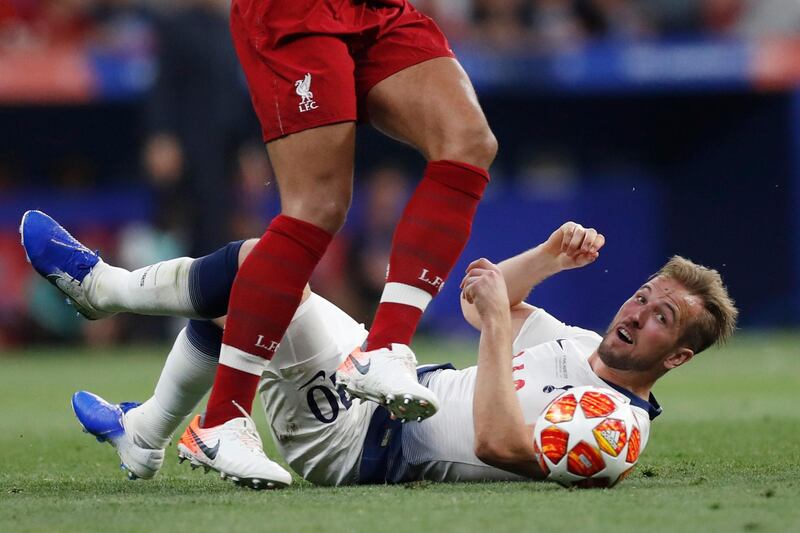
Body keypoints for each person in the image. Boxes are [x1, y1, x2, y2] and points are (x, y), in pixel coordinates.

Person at [20, 210, 737, 488]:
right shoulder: (580, 343)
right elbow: (481, 297)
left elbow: (496, 440)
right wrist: (546, 257)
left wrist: (493, 325)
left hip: (361, 443)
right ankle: (145, 432)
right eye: (645, 295)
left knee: (261, 267)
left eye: (662, 318)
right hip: (381, 384)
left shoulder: (613, 429)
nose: (638, 312)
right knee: (261, 283)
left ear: (676, 357)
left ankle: (104, 288)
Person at [184, 0, 498, 486]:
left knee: (468, 141)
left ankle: (385, 346)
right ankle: (221, 419)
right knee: (318, 206)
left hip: (376, 8)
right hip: (299, 9)